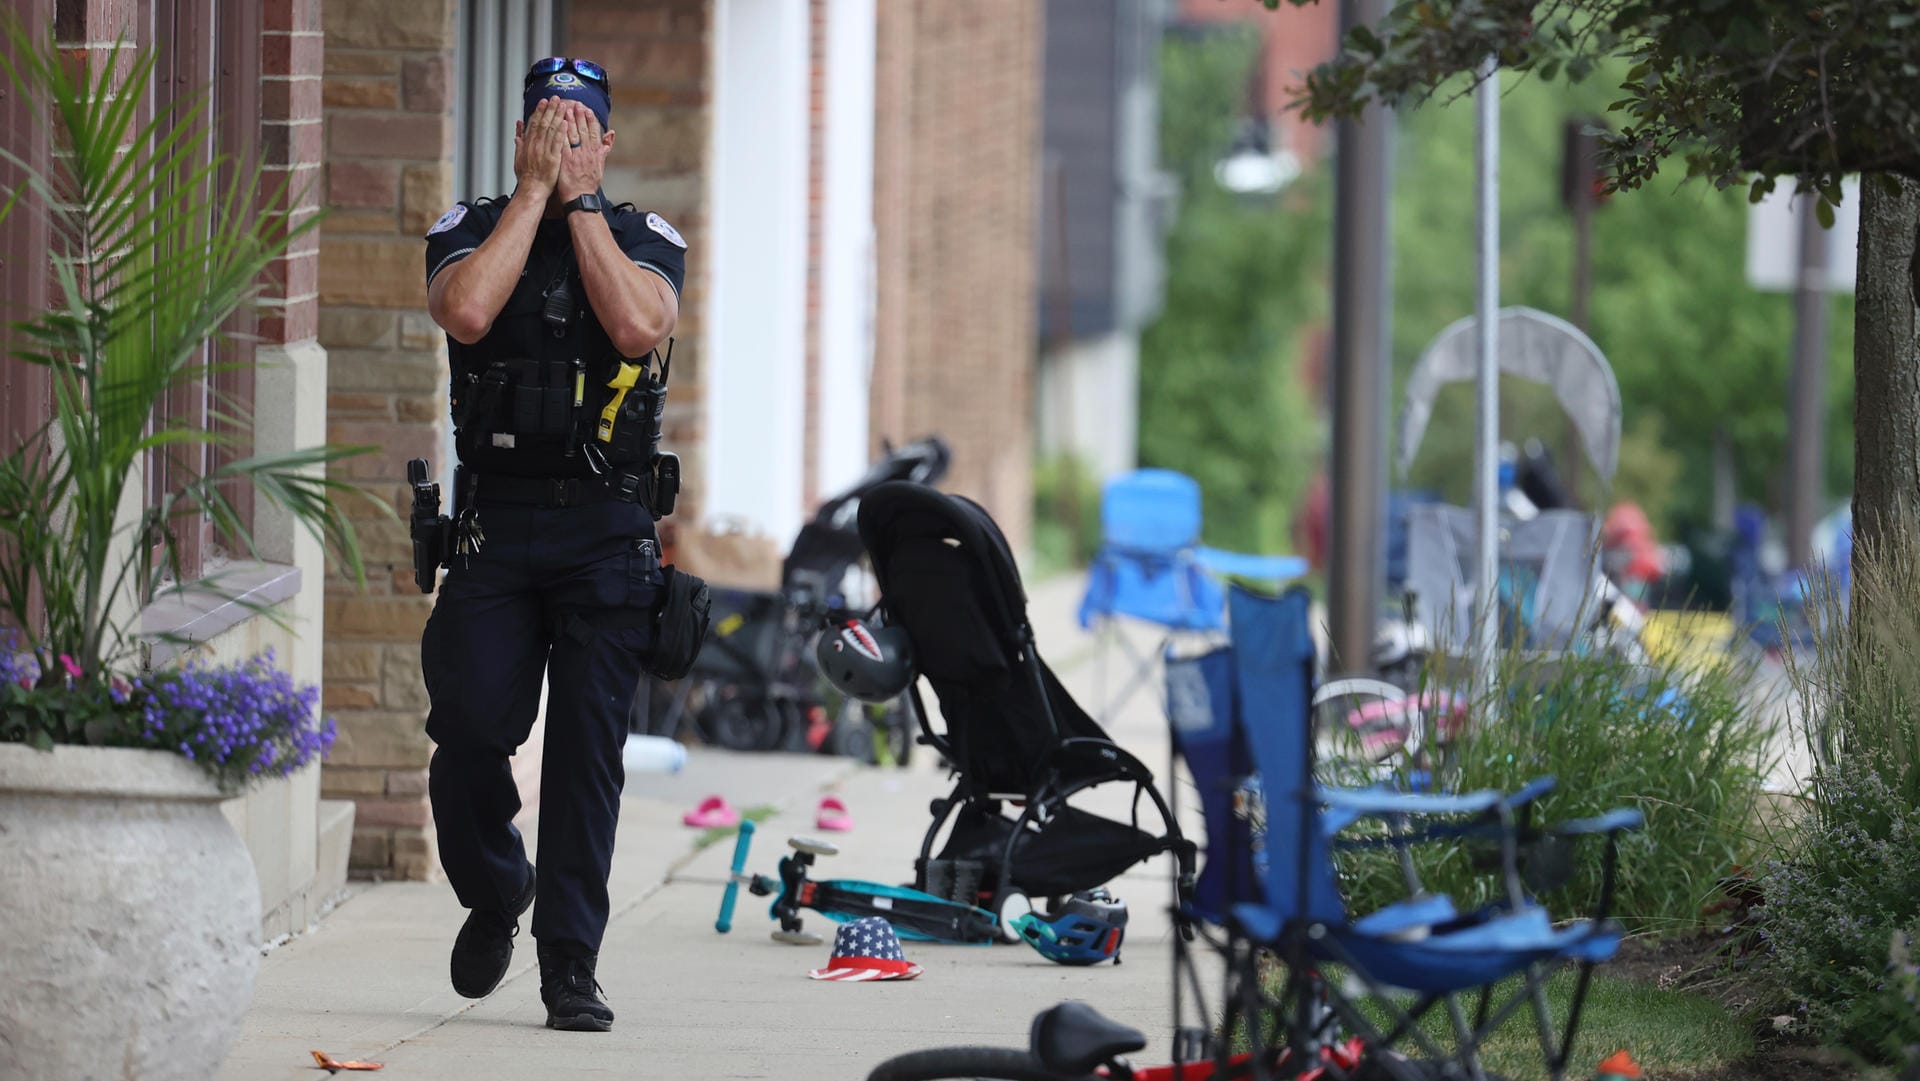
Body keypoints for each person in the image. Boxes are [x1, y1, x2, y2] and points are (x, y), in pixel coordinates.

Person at [418, 56, 687, 1033]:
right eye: (547, 124)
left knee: (586, 758)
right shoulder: (468, 228)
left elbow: (633, 323)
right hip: (498, 524)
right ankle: (497, 892)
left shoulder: (641, 239)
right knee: (467, 732)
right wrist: (533, 196)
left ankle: (570, 964)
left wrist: (576, 206)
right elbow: (468, 311)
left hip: (606, 532)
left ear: (607, 142)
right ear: (523, 134)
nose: (565, 138)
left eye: (581, 127)